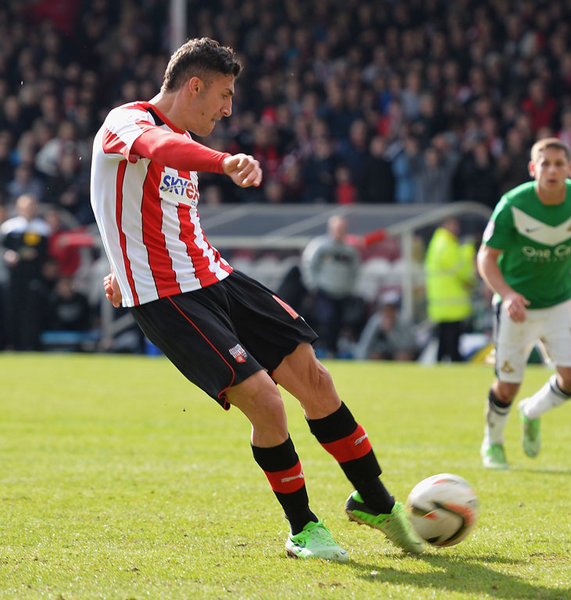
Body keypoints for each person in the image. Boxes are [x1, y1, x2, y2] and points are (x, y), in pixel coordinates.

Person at [91, 37, 423, 562]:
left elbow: (145, 212)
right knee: (267, 402)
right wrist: (222, 163)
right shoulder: (128, 122)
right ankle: (304, 529)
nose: (228, 108)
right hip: (167, 297)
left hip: (218, 278)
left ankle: (376, 502)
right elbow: (154, 149)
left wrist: (118, 260)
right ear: (193, 86)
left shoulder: (182, 139)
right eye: (223, 95)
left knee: (315, 380)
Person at [477, 137, 571, 469]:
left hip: (560, 302)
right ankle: (493, 442)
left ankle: (532, 411)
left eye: (559, 164)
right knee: (507, 386)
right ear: (532, 169)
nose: (552, 169)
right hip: (518, 306)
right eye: (545, 163)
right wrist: (507, 294)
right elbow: (486, 257)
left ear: (570, 169)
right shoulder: (513, 204)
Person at [300, 214, 364, 357]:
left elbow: (355, 271)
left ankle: (333, 351)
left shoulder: (350, 251)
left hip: (343, 293)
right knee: (327, 320)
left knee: (339, 322)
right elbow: (308, 265)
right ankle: (325, 350)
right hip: (324, 291)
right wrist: (312, 285)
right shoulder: (320, 246)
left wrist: (350, 288)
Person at [1, 193, 51, 350]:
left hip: (34, 276)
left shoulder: (42, 228)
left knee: (32, 311)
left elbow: (46, 253)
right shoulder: (9, 227)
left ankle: (30, 344)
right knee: (11, 310)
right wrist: (7, 255)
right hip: (13, 277)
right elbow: (3, 248)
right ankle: (11, 343)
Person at [423, 217, 476, 362]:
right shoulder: (447, 244)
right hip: (451, 303)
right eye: (453, 225)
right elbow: (461, 269)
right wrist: (467, 251)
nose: (456, 230)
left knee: (443, 341)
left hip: (442, 303)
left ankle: (441, 364)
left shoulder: (438, 243)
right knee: (452, 342)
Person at [354, 290, 418, 361]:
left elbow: (408, 345)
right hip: (384, 351)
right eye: (386, 308)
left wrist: (390, 332)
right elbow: (366, 341)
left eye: (391, 308)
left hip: (401, 352)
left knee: (403, 356)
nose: (388, 312)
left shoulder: (405, 321)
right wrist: (361, 359)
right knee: (375, 355)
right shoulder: (376, 320)